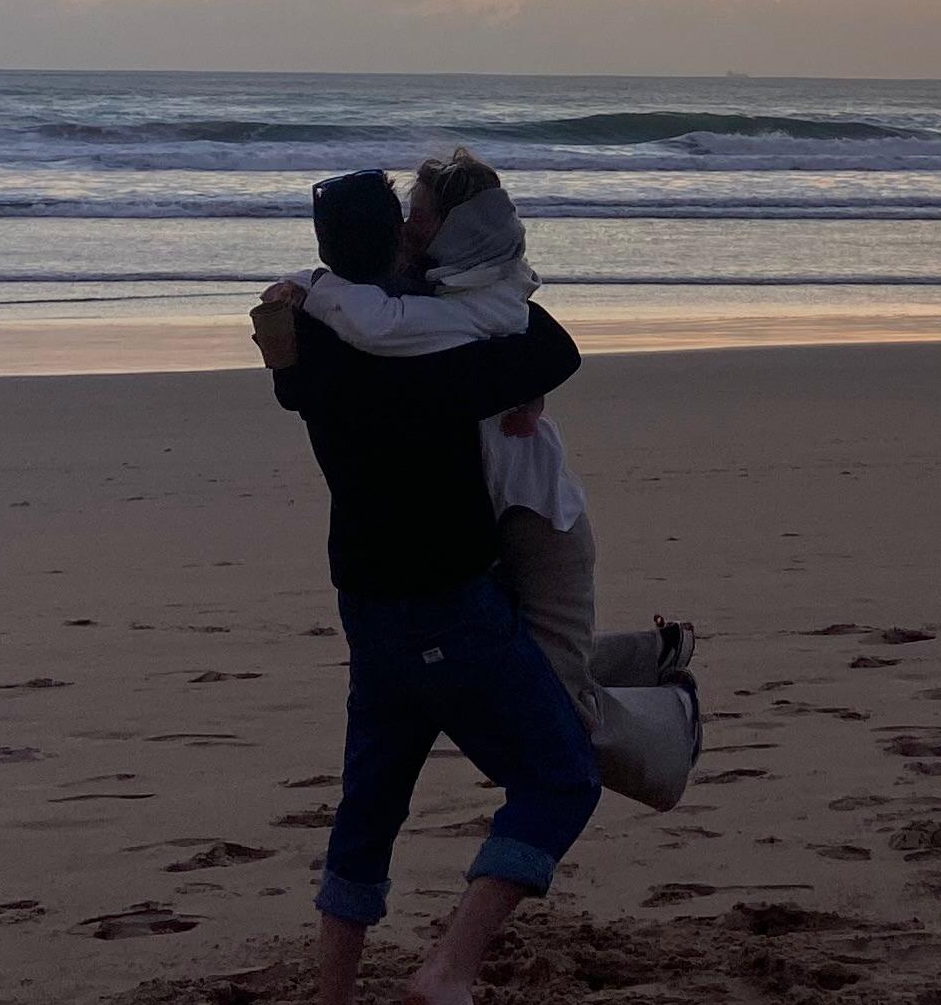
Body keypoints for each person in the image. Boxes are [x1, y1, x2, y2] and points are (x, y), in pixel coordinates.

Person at [253, 165, 597, 1005]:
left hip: (365, 605)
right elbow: (551, 349)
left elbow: (297, 374)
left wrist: (319, 293)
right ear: (399, 245)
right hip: (447, 604)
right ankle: (449, 969)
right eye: (407, 228)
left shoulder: (314, 352)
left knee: (370, 804)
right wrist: (473, 277)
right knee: (561, 778)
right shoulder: (437, 362)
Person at [278, 145, 701, 809]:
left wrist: (311, 287)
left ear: (457, 228)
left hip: (536, 512)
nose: (410, 229)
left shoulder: (473, 305)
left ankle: (670, 730)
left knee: (553, 706)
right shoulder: (446, 291)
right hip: (484, 523)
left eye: (420, 216)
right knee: (518, 675)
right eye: (407, 217)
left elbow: (394, 329)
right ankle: (653, 655)